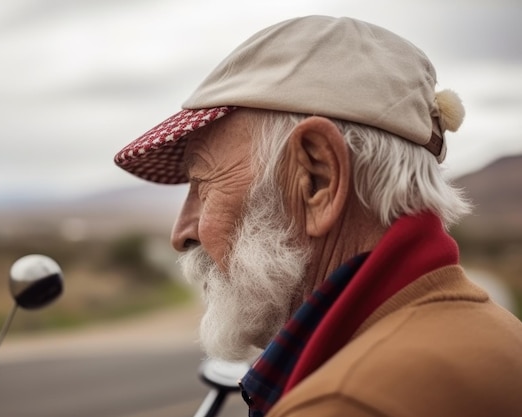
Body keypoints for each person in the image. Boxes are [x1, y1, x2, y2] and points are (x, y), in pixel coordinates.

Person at [114, 15, 522, 417]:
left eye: (204, 183)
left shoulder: (344, 403)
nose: (182, 232)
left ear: (316, 177)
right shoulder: (503, 336)